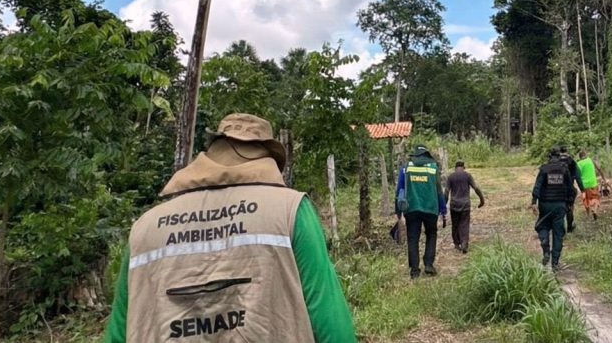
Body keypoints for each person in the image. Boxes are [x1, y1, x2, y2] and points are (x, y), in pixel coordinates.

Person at [102, 113, 356, 343]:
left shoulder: (146, 227)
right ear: (268, 158)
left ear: (212, 153)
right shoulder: (290, 212)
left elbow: (119, 333)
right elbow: (332, 326)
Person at [395, 144, 447, 279]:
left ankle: (414, 271)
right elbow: (439, 191)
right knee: (431, 234)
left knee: (413, 238)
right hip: (430, 209)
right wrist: (443, 209)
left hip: (411, 209)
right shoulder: (433, 168)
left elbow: (400, 189)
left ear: (415, 155)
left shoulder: (406, 168)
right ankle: (429, 264)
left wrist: (398, 211)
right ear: (427, 156)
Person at [531, 147, 573, 272]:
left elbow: (537, 186)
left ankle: (546, 251)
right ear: (559, 156)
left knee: (542, 226)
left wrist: (534, 202)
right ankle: (555, 263)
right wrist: (570, 203)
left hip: (545, 204)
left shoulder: (544, 169)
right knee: (558, 233)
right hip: (560, 205)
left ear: (549, 157)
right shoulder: (564, 169)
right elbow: (570, 187)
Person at [444, 160, 486, 253]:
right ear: (464, 167)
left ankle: (456, 243)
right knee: (464, 224)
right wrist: (482, 200)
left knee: (455, 224)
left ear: (455, 168)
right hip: (465, 204)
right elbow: (476, 188)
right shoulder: (467, 176)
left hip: (454, 204)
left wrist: (443, 206)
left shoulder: (451, 177)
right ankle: (464, 243)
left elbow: (446, 192)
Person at [559, 145, 585, 233]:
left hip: (556, 189)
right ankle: (569, 227)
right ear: (567, 152)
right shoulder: (572, 162)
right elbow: (578, 177)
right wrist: (583, 190)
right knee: (569, 207)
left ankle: (560, 229)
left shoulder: (554, 161)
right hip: (569, 188)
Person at [576, 150, 608, 220]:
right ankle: (595, 210)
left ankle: (588, 215)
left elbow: (577, 175)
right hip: (593, 183)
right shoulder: (591, 160)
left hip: (584, 185)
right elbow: (599, 168)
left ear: (580, 157)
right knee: (596, 198)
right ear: (586, 155)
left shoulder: (578, 164)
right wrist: (603, 178)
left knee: (586, 199)